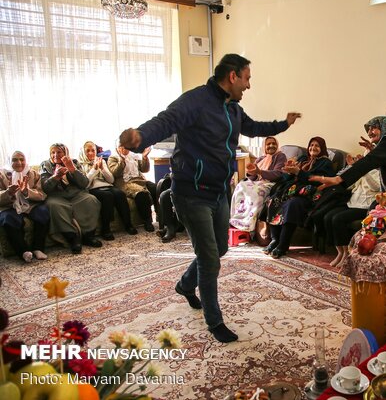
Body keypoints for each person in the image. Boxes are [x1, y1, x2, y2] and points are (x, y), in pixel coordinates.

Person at [118, 53, 301, 343]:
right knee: (209, 259)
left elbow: (253, 127)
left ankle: (184, 285)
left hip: (218, 191)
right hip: (191, 192)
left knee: (220, 248)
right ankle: (215, 322)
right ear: (232, 77)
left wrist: (282, 124)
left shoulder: (232, 108)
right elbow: (166, 121)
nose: (248, 85)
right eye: (247, 78)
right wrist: (141, 136)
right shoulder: (195, 101)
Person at [310, 115, 386, 203]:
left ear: (385, 126)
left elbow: (370, 161)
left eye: (373, 128)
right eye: (368, 130)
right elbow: (378, 161)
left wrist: (339, 179)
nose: (369, 133)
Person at [264, 136, 335, 258]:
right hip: (291, 190)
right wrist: (288, 171)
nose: (313, 148)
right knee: (273, 200)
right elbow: (286, 178)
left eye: (317, 146)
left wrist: (298, 172)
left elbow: (319, 181)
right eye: (311, 145)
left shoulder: (325, 163)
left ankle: (283, 244)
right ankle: (275, 239)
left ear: (322, 148)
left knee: (293, 204)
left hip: (308, 195)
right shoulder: (303, 158)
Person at [40, 143, 102, 254]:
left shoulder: (74, 162)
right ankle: (72, 238)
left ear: (65, 153)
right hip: (57, 196)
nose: (55, 155)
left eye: (59, 152)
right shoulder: (45, 165)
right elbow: (45, 188)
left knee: (91, 200)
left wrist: (72, 169)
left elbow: (84, 183)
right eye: (53, 152)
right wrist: (55, 177)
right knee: (53, 206)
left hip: (76, 194)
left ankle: (88, 235)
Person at [78, 141, 138, 240]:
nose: (91, 153)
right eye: (87, 151)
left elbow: (111, 180)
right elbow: (85, 184)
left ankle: (128, 224)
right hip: (92, 189)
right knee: (107, 196)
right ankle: (106, 229)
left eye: (93, 150)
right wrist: (94, 169)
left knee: (119, 194)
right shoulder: (80, 165)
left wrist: (102, 168)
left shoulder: (101, 161)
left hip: (107, 185)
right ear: (83, 152)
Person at [0, 151, 50, 262]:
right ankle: (23, 251)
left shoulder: (32, 174)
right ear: (9, 161)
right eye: (15, 160)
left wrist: (27, 191)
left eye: (22, 159)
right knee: (8, 219)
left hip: (30, 205)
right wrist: (8, 193)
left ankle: (38, 248)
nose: (19, 162)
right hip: (9, 206)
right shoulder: (2, 175)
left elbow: (41, 195)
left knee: (43, 212)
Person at [230, 136, 286, 233]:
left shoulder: (280, 156)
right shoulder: (260, 158)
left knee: (256, 192)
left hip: (270, 183)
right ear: (264, 146)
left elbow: (277, 174)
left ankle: (249, 223)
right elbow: (252, 177)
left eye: (274, 143)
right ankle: (237, 219)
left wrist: (259, 171)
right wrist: (251, 173)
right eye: (268, 144)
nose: (271, 145)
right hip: (256, 183)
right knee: (240, 186)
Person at [108, 143, 158, 232]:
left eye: (125, 146)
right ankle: (147, 221)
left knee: (155, 188)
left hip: (140, 180)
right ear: (117, 148)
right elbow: (115, 173)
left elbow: (144, 169)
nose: (123, 148)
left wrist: (145, 157)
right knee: (141, 193)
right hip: (126, 182)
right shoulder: (113, 158)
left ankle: (161, 216)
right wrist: (122, 160)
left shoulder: (134, 156)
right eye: (120, 146)